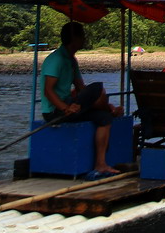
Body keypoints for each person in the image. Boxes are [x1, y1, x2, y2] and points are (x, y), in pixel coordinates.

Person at [40, 21, 123, 178]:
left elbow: (80, 88)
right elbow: (48, 91)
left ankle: (101, 164)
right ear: (75, 38)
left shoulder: (71, 60)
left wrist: (102, 105)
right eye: (82, 36)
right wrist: (65, 108)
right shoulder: (56, 60)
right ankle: (110, 110)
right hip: (55, 112)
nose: (84, 39)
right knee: (98, 87)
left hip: (71, 107)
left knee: (104, 118)